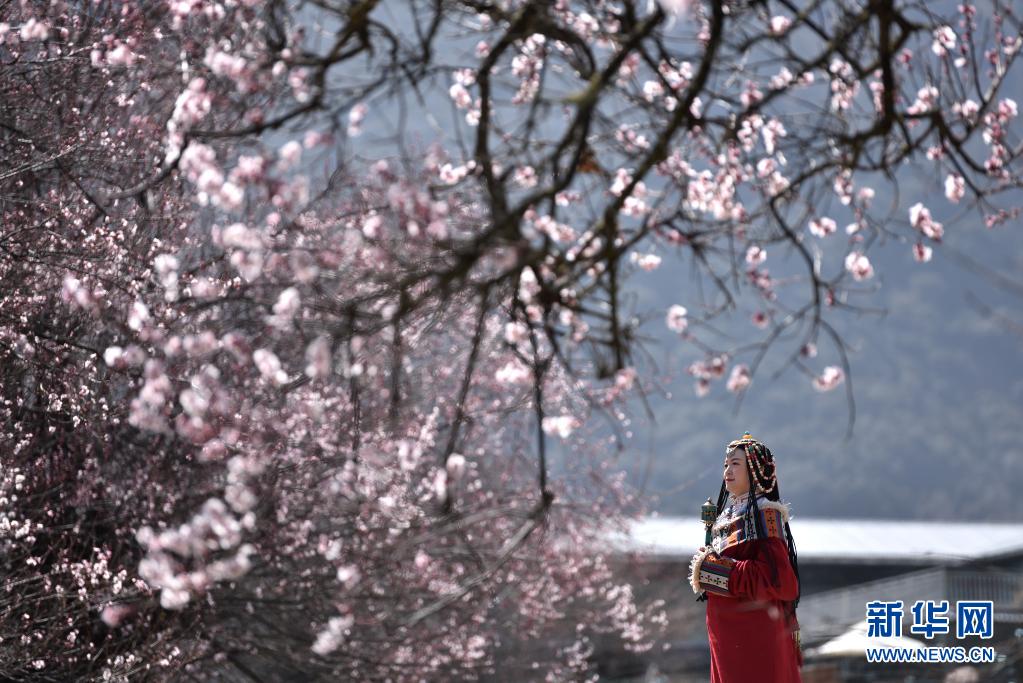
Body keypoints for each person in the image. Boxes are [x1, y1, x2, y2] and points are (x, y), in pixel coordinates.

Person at [687, 432, 803, 683]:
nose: (727, 470)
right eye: (725, 464)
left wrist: (716, 569)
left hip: (754, 635)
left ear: (755, 470)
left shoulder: (764, 516)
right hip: (729, 635)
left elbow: (780, 580)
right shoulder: (728, 516)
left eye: (735, 464)